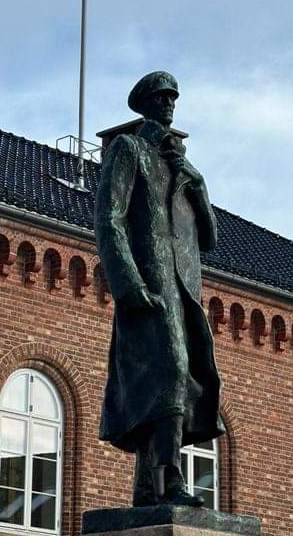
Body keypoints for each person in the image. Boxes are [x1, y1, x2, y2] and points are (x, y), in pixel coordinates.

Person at [94, 71, 224, 506]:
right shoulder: (130, 150)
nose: (169, 103)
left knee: (184, 382)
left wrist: (198, 184)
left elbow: (209, 240)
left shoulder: (181, 168)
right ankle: (171, 484)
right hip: (150, 286)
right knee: (168, 376)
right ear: (145, 103)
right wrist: (127, 283)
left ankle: (150, 487)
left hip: (184, 290)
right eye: (161, 96)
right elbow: (109, 218)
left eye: (173, 97)